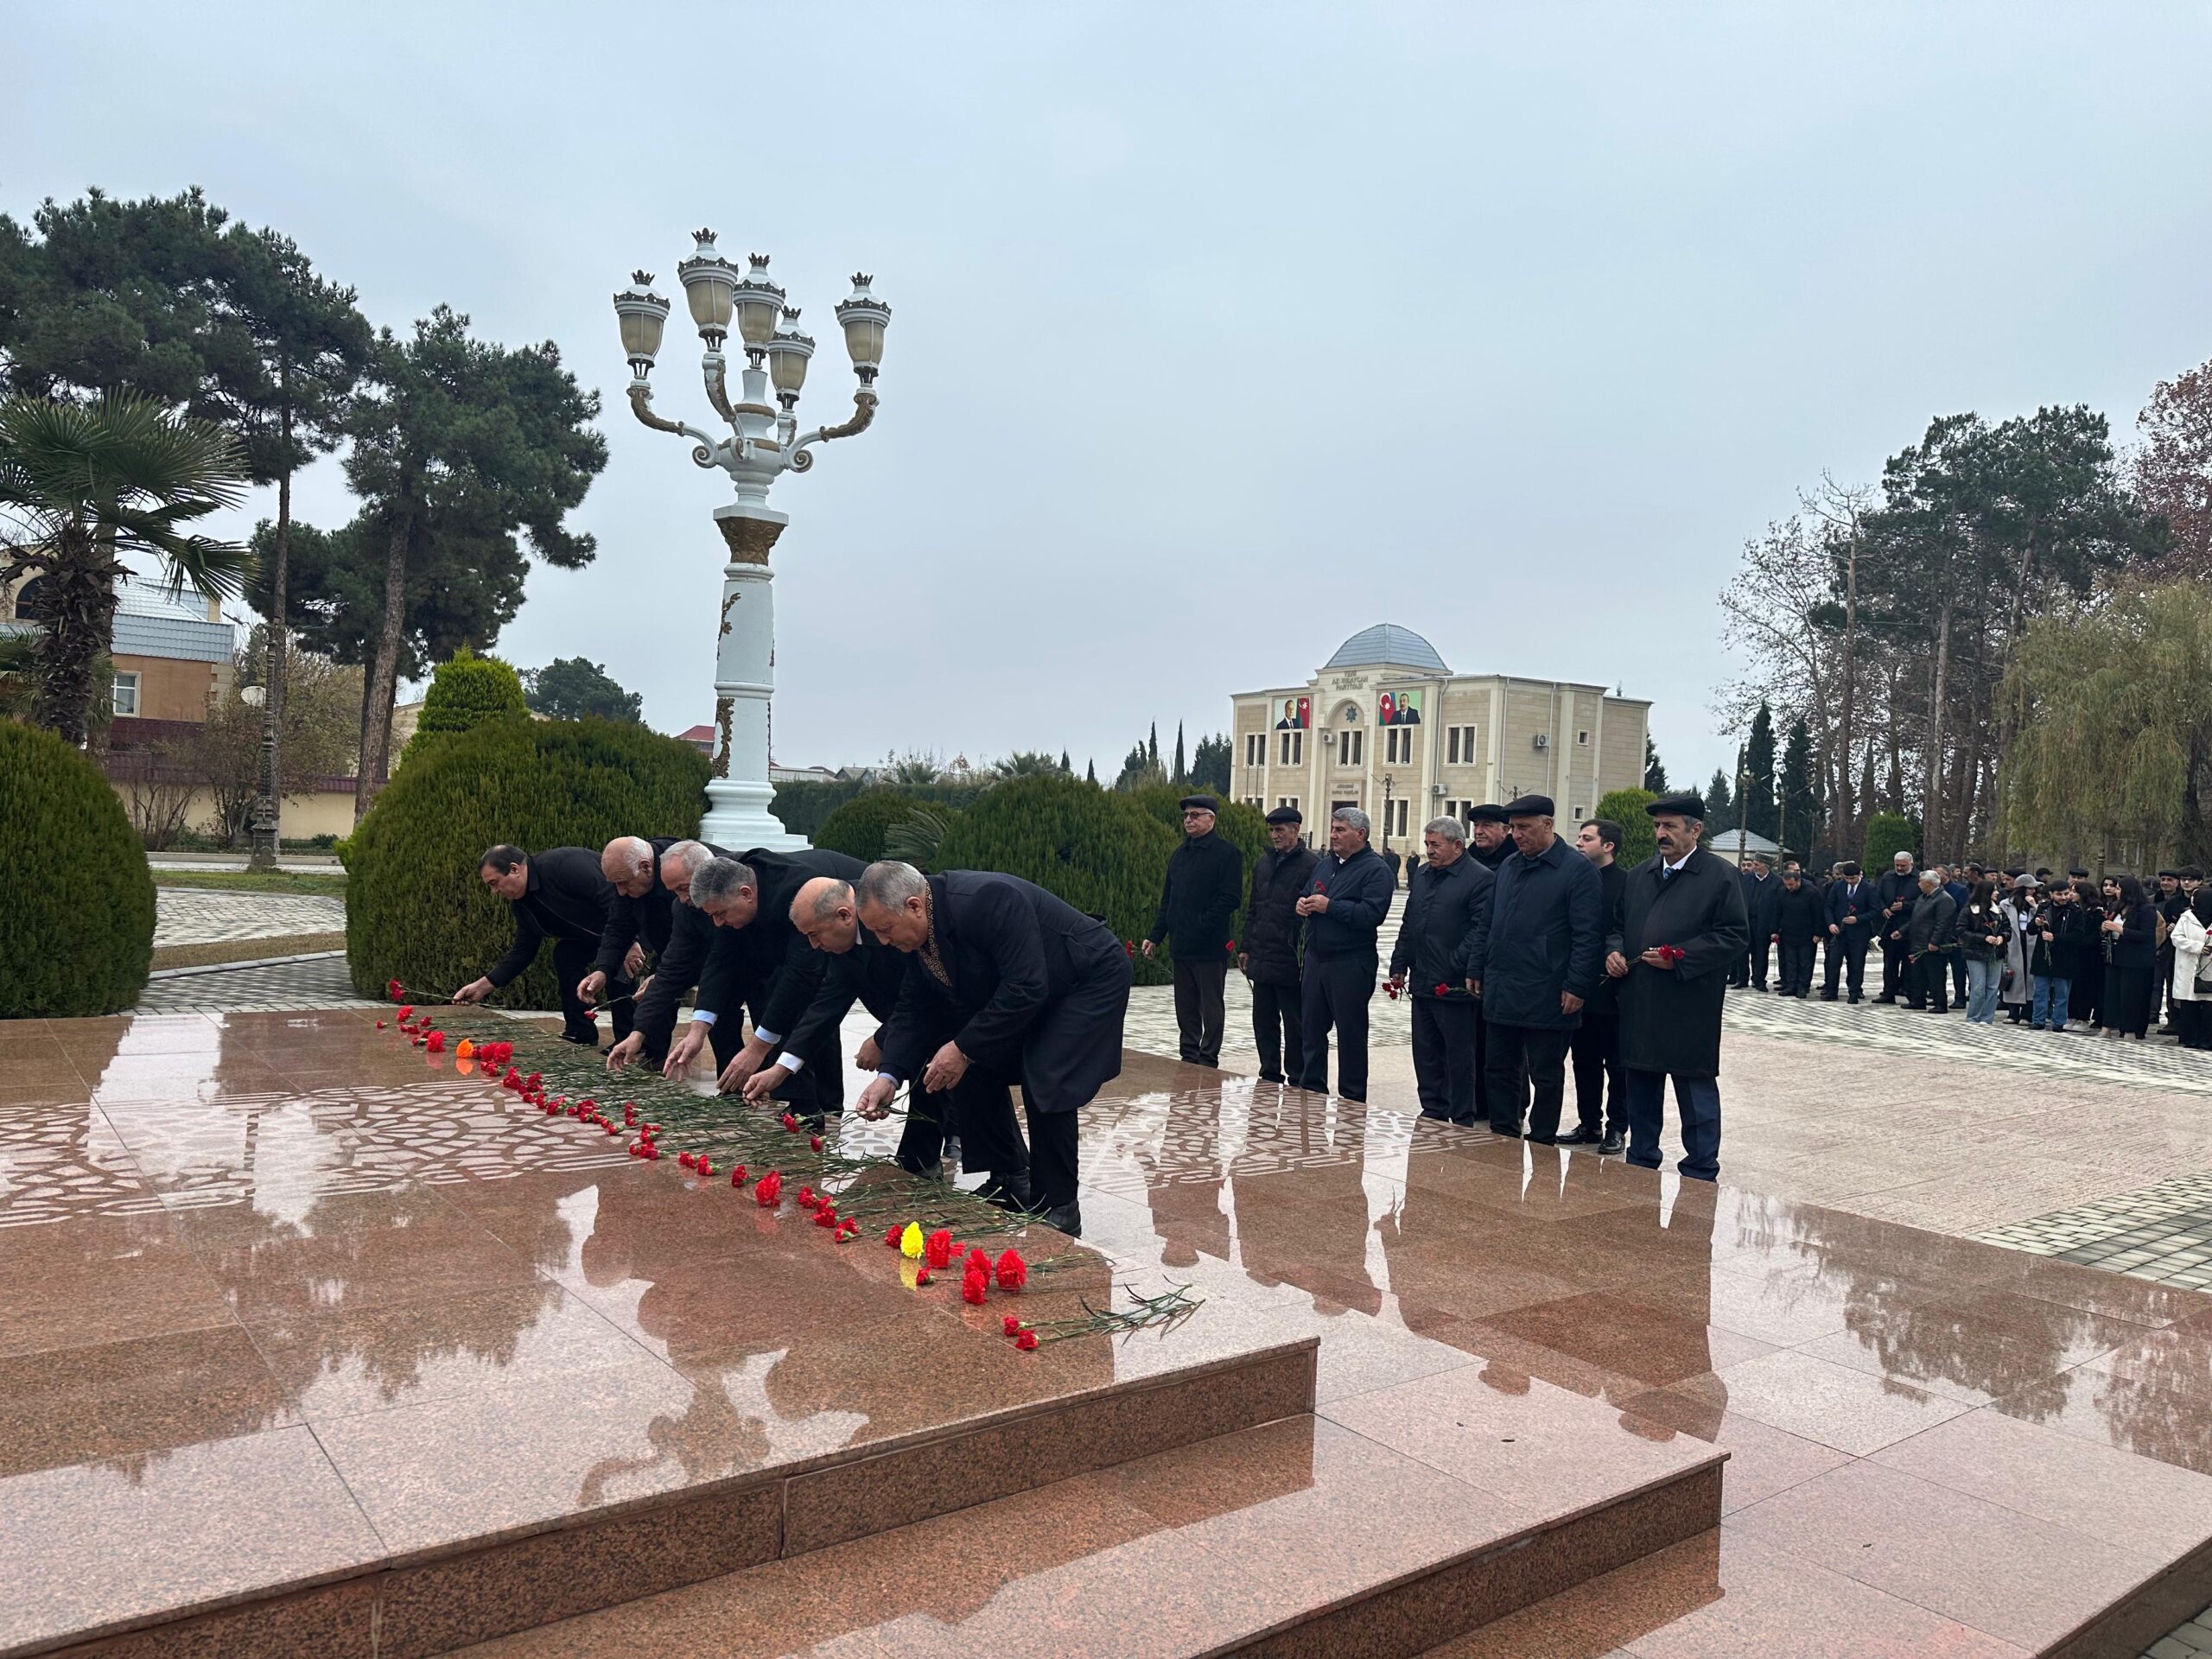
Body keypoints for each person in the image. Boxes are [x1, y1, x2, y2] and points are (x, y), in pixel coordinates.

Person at [854, 861, 1132, 1238]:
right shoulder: (920, 935)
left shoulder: (987, 899)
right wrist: (890, 1076)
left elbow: (1025, 986)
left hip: (1087, 978)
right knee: (965, 1065)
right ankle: (1012, 1178)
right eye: (875, 933)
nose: (883, 942)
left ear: (914, 905)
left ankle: (1059, 1207)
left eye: (885, 930)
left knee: (1046, 1073)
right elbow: (914, 1008)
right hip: (1040, 988)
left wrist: (963, 1048)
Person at [757, 876, 1030, 1205]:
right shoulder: (845, 943)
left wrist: (882, 1038)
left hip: (959, 1011)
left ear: (845, 916)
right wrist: (782, 1067)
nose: (814, 946)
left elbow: (924, 1001)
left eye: (815, 934)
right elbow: (827, 1006)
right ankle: (926, 1162)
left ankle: (1007, 1173)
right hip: (918, 1019)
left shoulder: (892, 925)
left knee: (956, 1072)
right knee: (930, 1071)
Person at [1611, 793, 1746, 1181]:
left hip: (1689, 1003)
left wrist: (1681, 957)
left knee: (1694, 1088)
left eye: (1670, 826)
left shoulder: (1720, 876)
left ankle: (1700, 1167)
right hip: (1642, 1000)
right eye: (1657, 826)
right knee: (1641, 1084)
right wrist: (1613, 951)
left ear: (1695, 830)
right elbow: (1616, 926)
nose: (1661, 834)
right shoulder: (1640, 875)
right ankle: (1642, 1159)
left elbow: (1734, 935)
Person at [688, 849, 868, 1121]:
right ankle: (803, 1103)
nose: (717, 923)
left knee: (815, 1010)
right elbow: (720, 960)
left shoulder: (796, 894)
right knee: (781, 1005)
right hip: (800, 946)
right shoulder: (731, 888)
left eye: (721, 914)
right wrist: (697, 1030)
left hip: (855, 920)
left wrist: (757, 1049)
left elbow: (802, 978)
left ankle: (826, 1106)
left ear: (746, 894)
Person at [1462, 794, 1602, 1144]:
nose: (1517, 835)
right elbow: (1487, 923)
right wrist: (1476, 966)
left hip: (1549, 990)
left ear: (1548, 825)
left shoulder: (1577, 870)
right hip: (1503, 986)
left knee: (1546, 1075)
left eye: (1524, 827)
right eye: (1513, 828)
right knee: (1498, 1068)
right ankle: (1503, 1134)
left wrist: (1577, 986)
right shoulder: (1510, 866)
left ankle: (1541, 1139)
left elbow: (1588, 935)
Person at [454, 845, 633, 1047]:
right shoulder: (523, 905)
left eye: (494, 883)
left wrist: (629, 941)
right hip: (598, 937)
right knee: (566, 954)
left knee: (617, 962)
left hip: (629, 922)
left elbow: (613, 896)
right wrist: (482, 987)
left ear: (514, 869)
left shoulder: (564, 865)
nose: (494, 892)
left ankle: (627, 1040)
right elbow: (523, 952)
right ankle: (580, 1032)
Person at [1389, 817, 1492, 1125]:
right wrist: (1399, 963)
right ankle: (1433, 1108)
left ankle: (1462, 1115)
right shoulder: (1422, 875)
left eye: (1435, 845)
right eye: (1427, 844)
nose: (1429, 851)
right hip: (1422, 979)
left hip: (1453, 984)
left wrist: (1455, 961)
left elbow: (1480, 929)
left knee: (1459, 1055)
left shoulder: (1479, 878)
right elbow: (1409, 923)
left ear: (1457, 845)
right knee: (1426, 1050)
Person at [607, 839, 740, 1078]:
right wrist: (637, 1033)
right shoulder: (684, 907)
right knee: (719, 1012)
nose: (682, 898)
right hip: (718, 962)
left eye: (683, 888)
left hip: (768, 962)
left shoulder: (737, 887)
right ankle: (734, 1087)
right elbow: (675, 968)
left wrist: (758, 1049)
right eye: (674, 892)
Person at [1294, 807, 1395, 1101]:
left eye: (1340, 830)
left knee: (1350, 1034)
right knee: (1311, 1029)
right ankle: (1312, 1089)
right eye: (1332, 829)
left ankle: (1352, 1098)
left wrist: (1330, 907)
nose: (1333, 835)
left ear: (1360, 834)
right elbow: (1308, 892)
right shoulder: (1325, 864)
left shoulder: (1377, 870)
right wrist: (1301, 903)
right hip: (1317, 958)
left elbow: (1372, 914)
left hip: (1351, 962)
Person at [1141, 793, 1244, 1068]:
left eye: (1195, 815)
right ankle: (1188, 1055)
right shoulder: (1180, 855)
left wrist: (1201, 925)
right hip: (1182, 944)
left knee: (1211, 1005)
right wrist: (1155, 935)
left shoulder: (1227, 853)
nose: (1189, 820)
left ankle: (1208, 1057)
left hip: (1210, 945)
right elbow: (1168, 900)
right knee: (1185, 1005)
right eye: (1186, 815)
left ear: (1211, 819)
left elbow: (1230, 899)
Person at [1239, 806, 1317, 1084]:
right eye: (1272, 830)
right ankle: (1269, 1071)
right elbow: (1254, 907)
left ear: (1296, 830)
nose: (1275, 835)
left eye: (1280, 830)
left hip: (1289, 958)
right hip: (1262, 955)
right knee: (1263, 1020)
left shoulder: (1311, 864)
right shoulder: (1264, 862)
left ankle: (1297, 1076)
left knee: (1294, 1023)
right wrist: (1246, 946)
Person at [1565, 817, 1627, 1152]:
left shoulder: (1626, 883)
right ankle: (1589, 1123)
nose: (1579, 843)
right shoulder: (1574, 878)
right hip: (1580, 986)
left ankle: (1617, 1128)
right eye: (1579, 837)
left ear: (1608, 846)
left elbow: (1627, 928)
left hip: (1614, 989)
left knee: (1617, 1065)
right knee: (1584, 1061)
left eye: (1587, 838)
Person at [578, 837, 675, 1045]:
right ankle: (652, 1056)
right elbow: (618, 927)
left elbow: (689, 939)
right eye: (615, 884)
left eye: (624, 883)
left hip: (720, 943)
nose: (621, 891)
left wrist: (665, 973)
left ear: (646, 867)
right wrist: (602, 970)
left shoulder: (678, 873)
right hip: (669, 946)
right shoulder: (628, 879)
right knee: (656, 1000)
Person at [2030, 880, 2092, 1032]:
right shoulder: (2044, 908)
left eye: (2066, 894)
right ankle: (2038, 1020)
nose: (2064, 897)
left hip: (2065, 957)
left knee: (2062, 993)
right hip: (2043, 955)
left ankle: (2059, 1022)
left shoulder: (2075, 911)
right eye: (2059, 894)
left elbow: (2078, 935)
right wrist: (2036, 924)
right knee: (2040, 991)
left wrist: (2056, 938)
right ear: (2051, 894)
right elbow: (2030, 930)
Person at [2102, 875, 2158, 1041]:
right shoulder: (2116, 906)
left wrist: (2120, 930)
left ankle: (2130, 1029)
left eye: (2119, 889)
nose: (2116, 892)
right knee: (2111, 993)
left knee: (2130, 995)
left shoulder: (2146, 910)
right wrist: (2105, 928)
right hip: (2115, 956)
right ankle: (2107, 1026)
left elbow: (2146, 935)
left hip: (2135, 959)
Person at [1821, 861, 1878, 1001]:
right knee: (1833, 962)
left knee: (1856, 964)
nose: (1849, 881)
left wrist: (1858, 919)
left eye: (1852, 878)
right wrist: (1831, 924)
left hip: (1859, 933)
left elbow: (1875, 910)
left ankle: (1854, 992)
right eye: (1846, 878)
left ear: (1859, 875)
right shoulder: (1837, 886)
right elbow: (1828, 906)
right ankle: (1831, 991)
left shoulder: (1869, 889)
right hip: (1839, 933)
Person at [1904, 870, 1956, 1013]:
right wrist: (1902, 931)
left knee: (1936, 975)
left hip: (1932, 945)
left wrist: (1934, 942)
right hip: (1918, 942)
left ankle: (1940, 1003)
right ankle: (1918, 1000)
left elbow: (1943, 924)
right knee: (1917, 974)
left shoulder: (1944, 899)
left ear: (1928, 883)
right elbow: (1915, 919)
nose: (1918, 884)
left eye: (1920, 882)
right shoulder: (1922, 897)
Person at [1956, 879, 2008, 1024]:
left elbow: (2007, 928)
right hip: (1975, 953)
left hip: (1996, 953)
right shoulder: (1969, 910)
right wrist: (1983, 938)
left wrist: (2002, 937)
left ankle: (1987, 1018)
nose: (1997, 893)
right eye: (1994, 890)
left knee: (1993, 986)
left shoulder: (1999, 911)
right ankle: (1973, 1017)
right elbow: (1961, 930)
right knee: (1978, 986)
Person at [1769, 865, 1824, 997]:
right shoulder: (1782, 892)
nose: (1789, 887)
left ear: (1798, 881)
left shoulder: (1812, 892)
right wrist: (1774, 930)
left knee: (1805, 962)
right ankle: (1791, 986)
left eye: (1791, 885)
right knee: (1791, 961)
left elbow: (1819, 915)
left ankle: (1803, 987)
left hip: (1807, 934)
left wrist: (1818, 933)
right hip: (1788, 933)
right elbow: (1777, 912)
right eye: (1787, 885)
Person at [1875, 850, 1919, 1004]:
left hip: (1909, 926)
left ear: (1911, 864)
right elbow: (1878, 896)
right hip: (1890, 925)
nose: (1899, 868)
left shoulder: (1919, 879)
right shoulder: (1887, 877)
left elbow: (1922, 901)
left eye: (1903, 866)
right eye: (1897, 865)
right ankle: (1888, 992)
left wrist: (1905, 906)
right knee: (1889, 963)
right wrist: (1883, 908)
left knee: (1909, 963)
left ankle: (1909, 992)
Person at [2171, 888, 2212, 1050]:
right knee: (2189, 1004)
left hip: (2208, 966)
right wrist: (2197, 947)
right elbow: (2176, 938)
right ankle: (2190, 1038)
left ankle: (2207, 1040)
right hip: (2188, 965)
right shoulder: (2186, 918)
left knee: (2208, 1005)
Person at [1999, 877, 2037, 1024]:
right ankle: (2013, 1013)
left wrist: (2034, 906)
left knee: (2030, 978)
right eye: (2030, 888)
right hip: (2013, 943)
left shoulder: (2037, 904)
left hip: (2031, 943)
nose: (2033, 891)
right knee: (2014, 977)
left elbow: (2044, 919)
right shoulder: (2006, 904)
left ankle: (2027, 1014)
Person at [1734, 855, 1777, 991]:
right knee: (1742, 952)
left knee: (1761, 954)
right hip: (1746, 922)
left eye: (1757, 864)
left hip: (1764, 923)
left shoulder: (1776, 881)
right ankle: (1742, 979)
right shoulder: (1746, 879)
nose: (1754, 867)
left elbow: (1777, 906)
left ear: (1765, 865)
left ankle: (1759, 980)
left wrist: (1774, 928)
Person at [2071, 872, 2107, 1029]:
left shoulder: (2096, 913)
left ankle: (2083, 1017)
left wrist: (2079, 942)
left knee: (2086, 987)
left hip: (2090, 956)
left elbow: (2095, 936)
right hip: (2076, 955)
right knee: (2074, 987)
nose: (2071, 895)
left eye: (2075, 892)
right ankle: (2073, 1015)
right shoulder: (2074, 910)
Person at [1941, 865, 1973, 1009]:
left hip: (1954, 935)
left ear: (1947, 875)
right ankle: (1938, 995)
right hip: (1938, 935)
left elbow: (1964, 912)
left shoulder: (1959, 890)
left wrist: (1960, 932)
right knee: (1939, 967)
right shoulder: (1932, 891)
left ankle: (1960, 997)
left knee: (1958, 968)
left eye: (1938, 873)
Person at [1466, 804, 1511, 871]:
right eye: (1476, 825)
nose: (1478, 832)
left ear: (1504, 830)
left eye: (1486, 825)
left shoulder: (1517, 862)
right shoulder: (1466, 861)